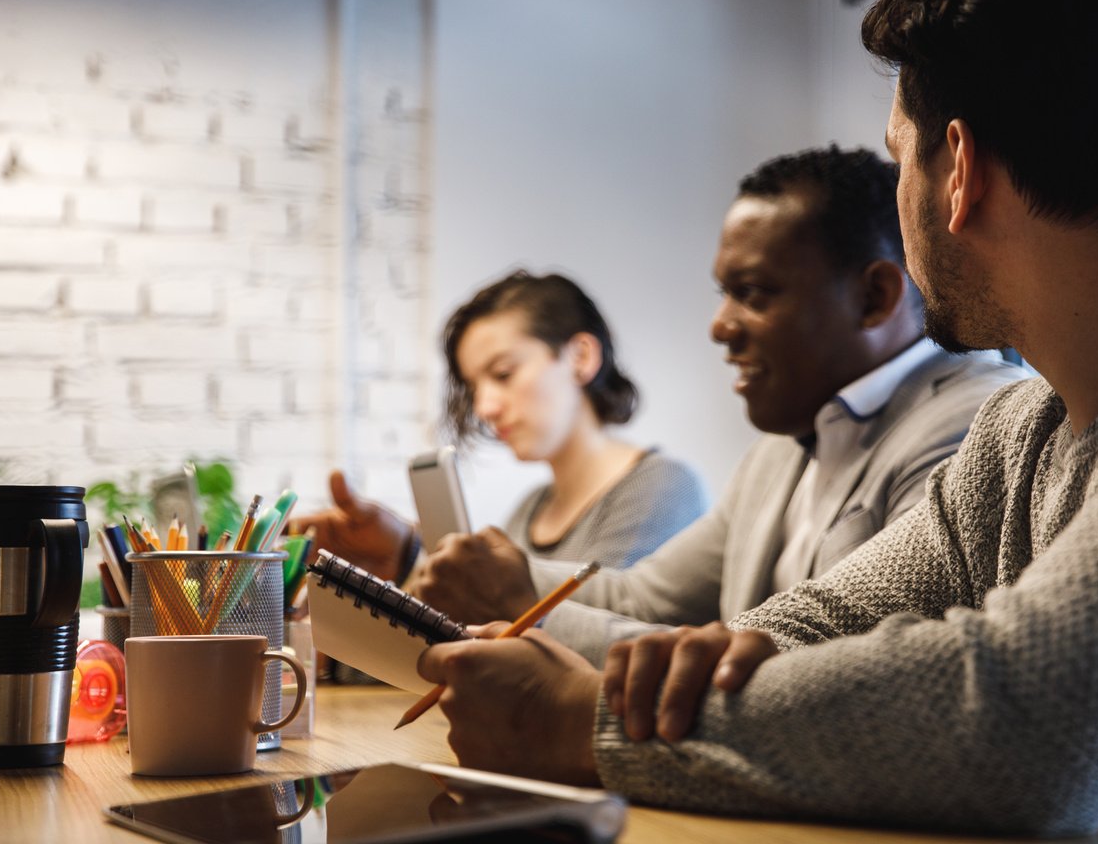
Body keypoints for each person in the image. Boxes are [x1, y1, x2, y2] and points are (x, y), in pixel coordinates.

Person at [413, 0, 1098, 842]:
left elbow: (1055, 721)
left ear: (958, 167)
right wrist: (540, 671)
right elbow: (802, 629)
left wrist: (589, 726)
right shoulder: (1022, 433)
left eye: (897, 156)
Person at [408, 145, 1026, 657]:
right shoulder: (782, 450)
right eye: (724, 294)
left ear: (873, 298)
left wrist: (518, 606)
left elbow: (831, 668)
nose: (720, 326)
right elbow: (643, 601)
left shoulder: (973, 426)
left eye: (752, 293)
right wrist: (507, 582)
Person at [298, 270, 707, 584]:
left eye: (504, 373)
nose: (484, 406)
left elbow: (601, 637)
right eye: (475, 386)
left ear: (580, 357)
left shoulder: (663, 488)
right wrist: (405, 556)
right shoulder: (531, 509)